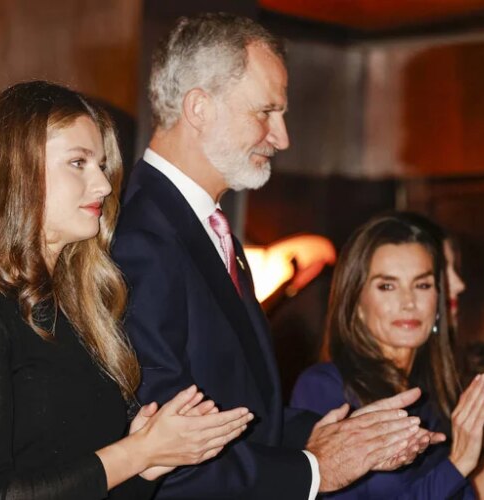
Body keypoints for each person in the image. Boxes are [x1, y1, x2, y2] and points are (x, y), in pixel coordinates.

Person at [113, 13, 433, 499]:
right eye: (266, 112)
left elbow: (245, 415)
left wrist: (347, 432)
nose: (281, 137)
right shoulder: (142, 238)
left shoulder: (207, 229)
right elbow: (165, 450)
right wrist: (315, 470)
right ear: (199, 108)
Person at [0, 81, 254, 500]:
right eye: (78, 163)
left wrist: (151, 464)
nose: (102, 185)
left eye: (100, 166)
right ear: (17, 172)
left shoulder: (82, 309)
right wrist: (135, 453)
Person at [291, 213, 484, 499]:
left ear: (438, 299)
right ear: (356, 302)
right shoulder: (324, 387)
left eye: (422, 285)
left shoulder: (435, 395)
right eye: (387, 286)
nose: (408, 302)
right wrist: (461, 460)